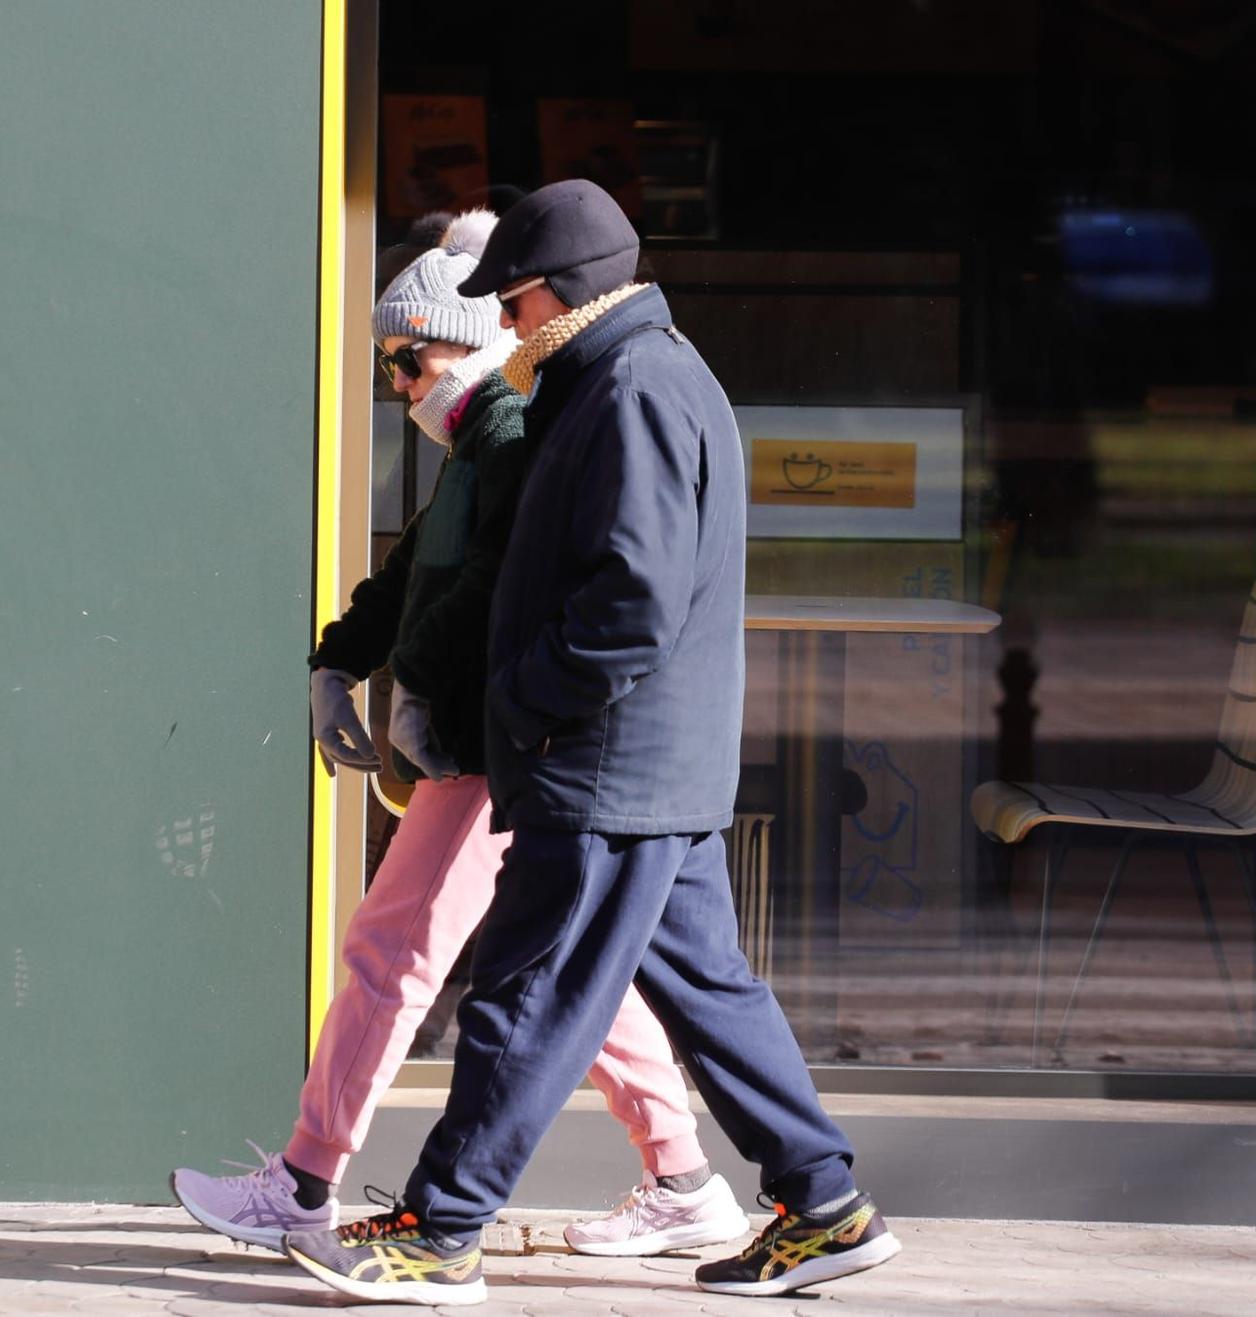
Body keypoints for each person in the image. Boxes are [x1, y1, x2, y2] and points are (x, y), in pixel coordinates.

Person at [283, 180, 902, 1305]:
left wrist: (518, 698)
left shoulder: (631, 391)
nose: (504, 327)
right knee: (708, 992)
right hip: (638, 767)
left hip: (605, 767)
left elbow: (631, 600)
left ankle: (439, 1231)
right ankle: (822, 1204)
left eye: (509, 303)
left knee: (526, 996)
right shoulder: (622, 380)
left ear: (554, 293)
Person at [169, 209, 748, 1259]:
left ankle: (304, 1182)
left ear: (480, 332)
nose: (398, 384)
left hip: (492, 739)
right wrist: (341, 657)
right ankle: (687, 1178)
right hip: (493, 734)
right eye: (388, 364)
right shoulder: (481, 433)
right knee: (578, 978)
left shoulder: (516, 428)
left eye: (409, 357)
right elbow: (419, 568)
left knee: (392, 952)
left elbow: (495, 591)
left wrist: (418, 690)